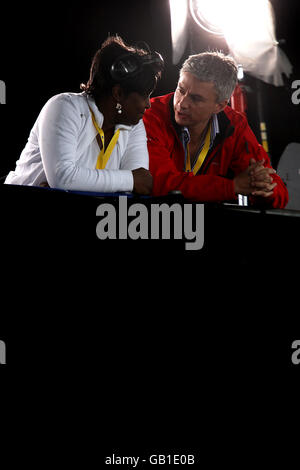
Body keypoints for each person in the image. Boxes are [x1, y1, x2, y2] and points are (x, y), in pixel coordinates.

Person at [5, 35, 164, 194]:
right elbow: (62, 179)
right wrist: (128, 180)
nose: (148, 104)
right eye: (144, 96)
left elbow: (140, 184)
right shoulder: (64, 107)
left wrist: (80, 182)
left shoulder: (134, 125)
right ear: (118, 93)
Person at [143, 51, 288, 208]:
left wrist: (265, 190)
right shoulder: (149, 115)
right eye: (181, 90)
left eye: (196, 98)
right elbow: (159, 184)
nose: (182, 103)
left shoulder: (235, 125)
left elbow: (278, 192)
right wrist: (232, 187)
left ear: (220, 106)